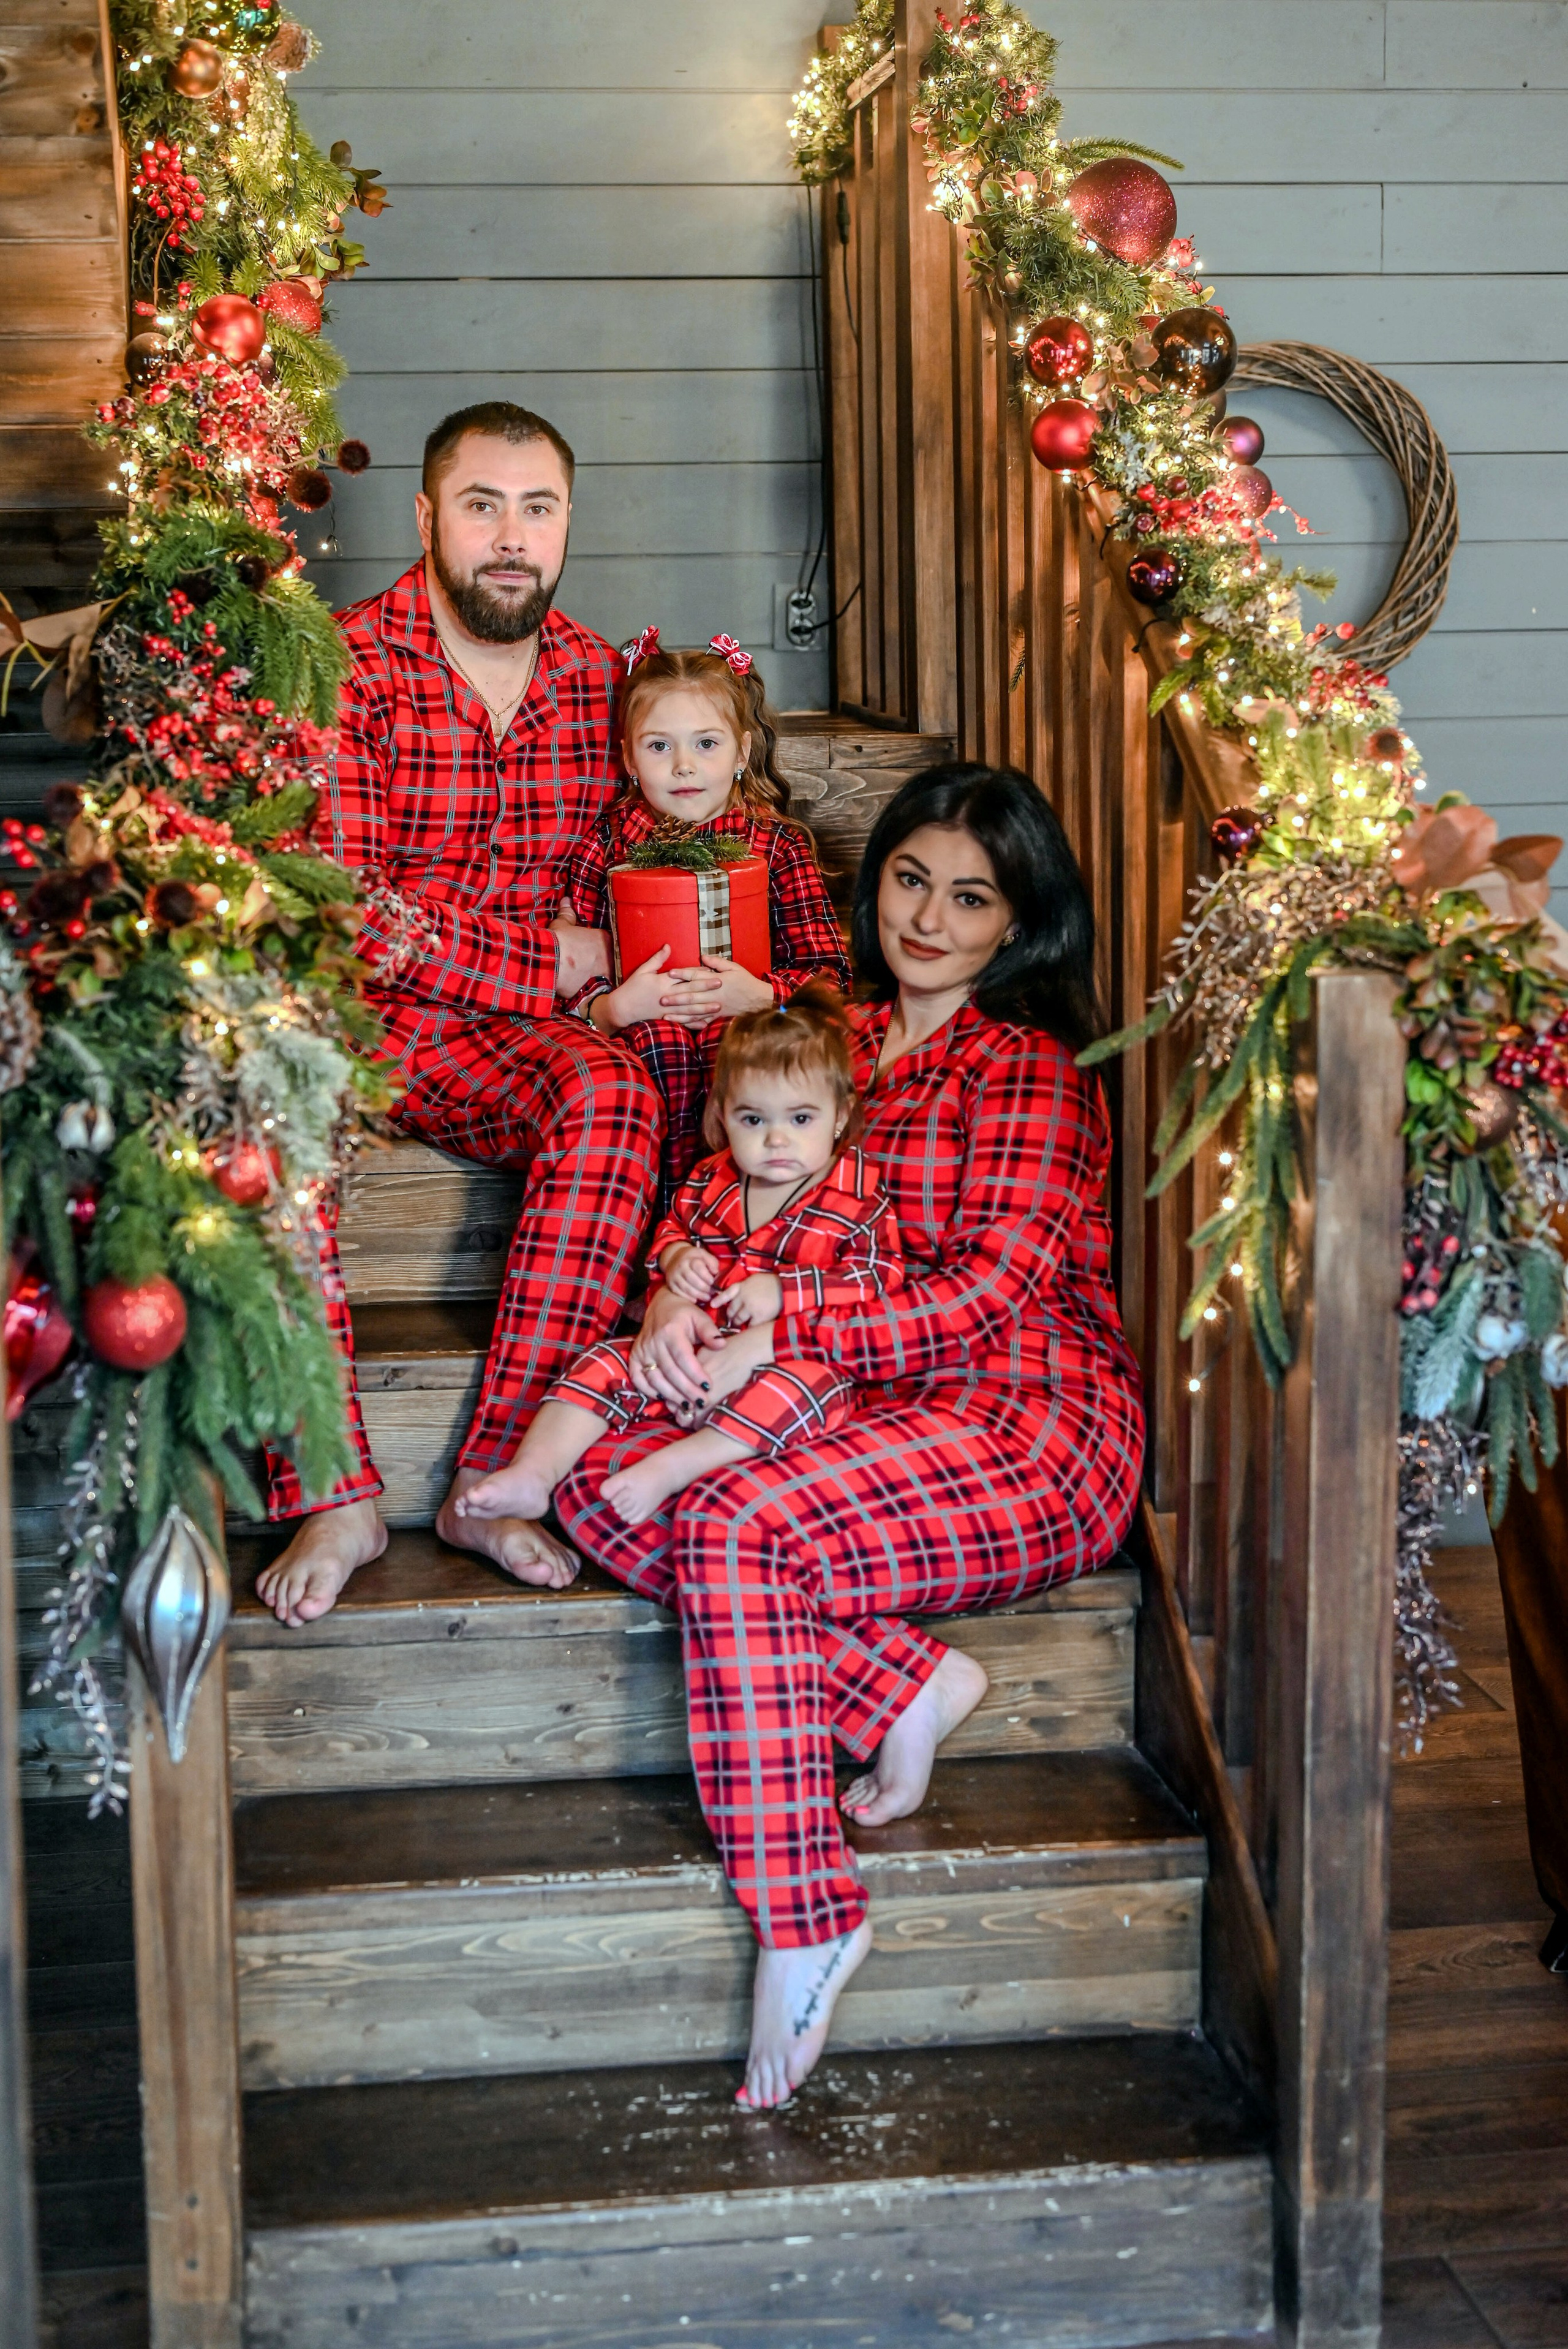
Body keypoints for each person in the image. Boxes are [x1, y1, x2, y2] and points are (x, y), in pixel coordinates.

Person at [553, 763, 1147, 2110]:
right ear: (871, 877)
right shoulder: (828, 1043)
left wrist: (787, 1323)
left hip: (1025, 1418)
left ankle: (807, 1914)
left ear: (1020, 921)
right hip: (846, 1405)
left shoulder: (1029, 1071)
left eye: (971, 896)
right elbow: (718, 1192)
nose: (929, 917)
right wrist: (674, 1292)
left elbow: (987, 1292)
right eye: (908, 879)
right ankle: (894, 1688)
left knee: (724, 1518)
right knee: (591, 1476)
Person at [256, 399, 675, 1627]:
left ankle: (493, 1485)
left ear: (565, 526)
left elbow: (659, 855)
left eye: (536, 509)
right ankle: (330, 1488)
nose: (510, 537)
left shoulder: (604, 683)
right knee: (271, 1106)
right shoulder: (345, 665)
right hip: (350, 1018)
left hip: (493, 1043)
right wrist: (558, 964)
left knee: (613, 1093)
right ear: (427, 514)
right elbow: (348, 914)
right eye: (482, 505)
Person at [455, 984, 902, 1533]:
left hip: (784, 1361)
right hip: (690, 1353)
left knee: (809, 1387)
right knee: (602, 1363)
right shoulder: (710, 1181)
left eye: (801, 1119)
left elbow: (880, 1277)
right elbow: (669, 1230)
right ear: (722, 1116)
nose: (777, 1139)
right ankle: (534, 1472)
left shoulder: (856, 1195)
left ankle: (671, 1468)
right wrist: (674, 1259)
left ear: (840, 1115)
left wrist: (789, 1292)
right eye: (754, 1120)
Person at [556, 631, 849, 1210]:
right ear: (628, 758)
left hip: (748, 1025)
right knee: (657, 1049)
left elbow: (828, 975)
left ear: (742, 753)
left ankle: (736, 1224)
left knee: (732, 1053)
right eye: (660, 746)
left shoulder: (775, 847)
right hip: (641, 1029)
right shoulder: (607, 846)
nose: (684, 766)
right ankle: (662, 1233)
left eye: (706, 744)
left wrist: (763, 996)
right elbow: (569, 960)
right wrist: (611, 1006)